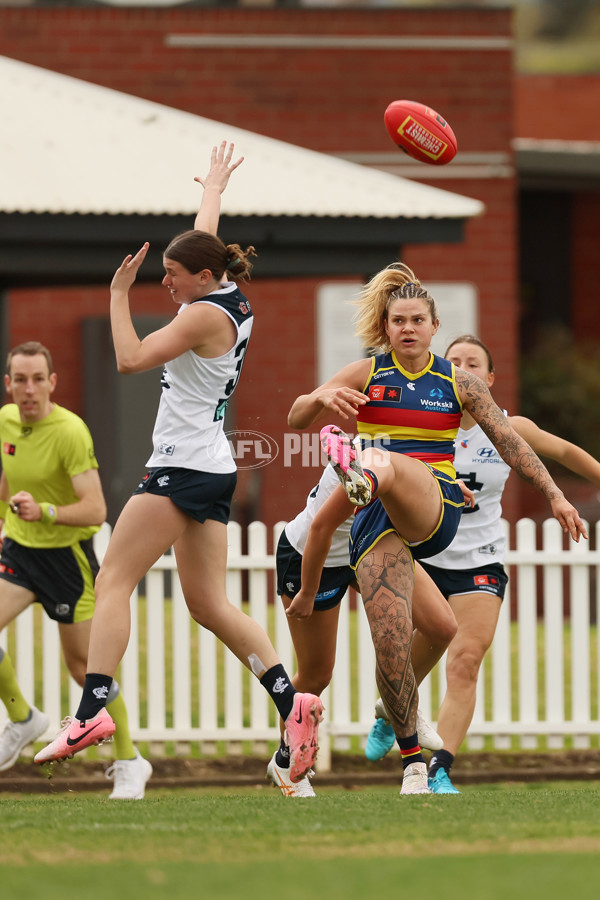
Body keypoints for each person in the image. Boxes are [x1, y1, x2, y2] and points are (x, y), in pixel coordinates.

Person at [35, 142, 323, 784]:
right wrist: (213, 191)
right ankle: (291, 703)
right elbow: (205, 244)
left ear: (198, 279)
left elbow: (130, 360)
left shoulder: (197, 316)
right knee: (208, 604)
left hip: (180, 467)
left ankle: (91, 710)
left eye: (170, 275)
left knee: (112, 582)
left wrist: (117, 294)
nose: (163, 283)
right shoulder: (225, 294)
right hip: (213, 466)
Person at [287, 263, 586, 795]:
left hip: (438, 505)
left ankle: (359, 466)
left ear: (433, 327)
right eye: (397, 320)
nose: (407, 328)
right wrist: (318, 401)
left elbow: (514, 444)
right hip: (376, 521)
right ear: (386, 326)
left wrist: (556, 494)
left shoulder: (457, 382)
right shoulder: (365, 374)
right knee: (394, 641)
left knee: (388, 463)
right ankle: (413, 767)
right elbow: (294, 418)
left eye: (417, 320)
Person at [365, 334, 600, 793]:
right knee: (416, 649)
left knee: (466, 660)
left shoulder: (512, 428)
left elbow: (567, 453)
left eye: (474, 363)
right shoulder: (421, 422)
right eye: (454, 362)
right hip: (426, 555)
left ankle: (440, 770)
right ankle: (389, 707)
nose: (463, 368)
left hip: (480, 559)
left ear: (489, 379)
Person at [0, 341, 152, 799]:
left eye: (36, 380)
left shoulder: (70, 432)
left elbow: (95, 509)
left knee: (85, 668)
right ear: (8, 385)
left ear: (52, 383)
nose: (28, 390)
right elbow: (9, 477)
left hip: (67, 561)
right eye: (19, 380)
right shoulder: (6, 421)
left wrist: (43, 512)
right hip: (20, 553)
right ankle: (24, 719)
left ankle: (130, 761)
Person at [268, 460, 460, 797]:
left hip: (367, 547)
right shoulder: (357, 453)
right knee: (315, 676)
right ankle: (286, 761)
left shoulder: (399, 448)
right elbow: (320, 530)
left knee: (441, 626)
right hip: (313, 557)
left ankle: (392, 703)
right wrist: (309, 591)